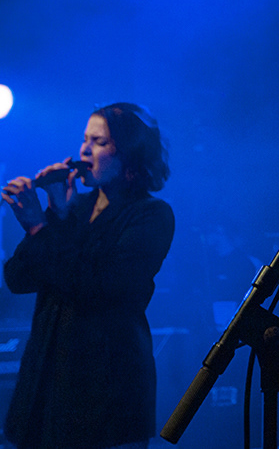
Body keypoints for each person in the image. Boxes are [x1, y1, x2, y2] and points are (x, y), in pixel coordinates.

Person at [1, 102, 175, 449]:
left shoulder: (151, 215)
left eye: (99, 142)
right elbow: (18, 279)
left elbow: (96, 287)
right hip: (46, 386)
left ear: (129, 154)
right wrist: (55, 215)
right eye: (85, 139)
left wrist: (39, 228)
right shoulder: (75, 209)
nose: (84, 150)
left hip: (107, 393)